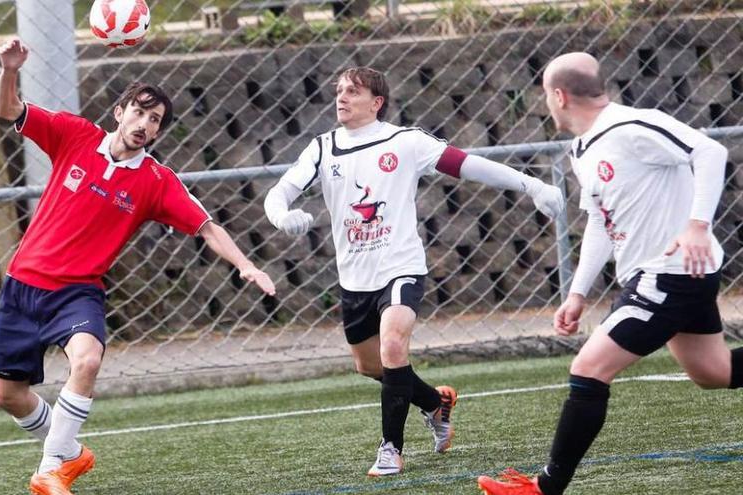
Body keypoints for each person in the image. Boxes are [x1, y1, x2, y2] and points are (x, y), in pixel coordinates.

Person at [0, 38, 276, 495]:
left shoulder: (156, 181)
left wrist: (246, 265)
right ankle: (70, 453)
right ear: (120, 111)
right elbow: (8, 111)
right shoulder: (73, 134)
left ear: (159, 132)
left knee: (87, 359)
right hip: (23, 284)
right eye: (139, 113)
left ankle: (49, 470)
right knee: (6, 395)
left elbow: (205, 227)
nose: (145, 124)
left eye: (155, 120)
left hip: (77, 291)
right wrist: (9, 70)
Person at [264, 67, 564, 477]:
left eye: (353, 91)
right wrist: (282, 216)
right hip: (354, 278)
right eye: (338, 91)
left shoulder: (405, 142)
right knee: (371, 367)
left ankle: (390, 449)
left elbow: (468, 163)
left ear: (376, 102)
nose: (341, 97)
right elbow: (279, 192)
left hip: (400, 267)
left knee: (393, 347)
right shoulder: (322, 147)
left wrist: (532, 185)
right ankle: (433, 403)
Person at [477, 52, 740, 495]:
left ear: (558, 95)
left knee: (589, 368)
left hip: (671, 273)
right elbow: (600, 221)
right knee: (712, 371)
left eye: (545, 96)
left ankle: (546, 487)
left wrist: (697, 225)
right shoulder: (581, 148)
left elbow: (710, 150)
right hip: (656, 276)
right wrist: (578, 293)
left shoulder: (633, 126)